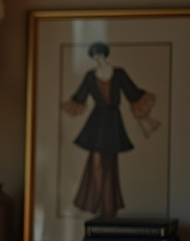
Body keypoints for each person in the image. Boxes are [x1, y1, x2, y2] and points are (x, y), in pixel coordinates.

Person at [62, 41, 159, 218]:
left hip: (113, 120)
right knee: (97, 162)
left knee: (110, 163)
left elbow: (132, 92)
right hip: (97, 120)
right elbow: (80, 96)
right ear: (92, 57)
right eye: (95, 54)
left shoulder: (119, 73)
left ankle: (107, 207)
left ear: (105, 54)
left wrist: (143, 109)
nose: (98, 57)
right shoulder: (90, 76)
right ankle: (99, 204)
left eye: (100, 53)